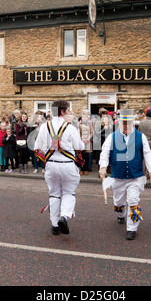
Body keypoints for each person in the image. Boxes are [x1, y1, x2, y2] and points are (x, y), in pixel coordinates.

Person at [99, 109, 151, 240]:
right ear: (119, 123)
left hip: (135, 176)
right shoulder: (112, 136)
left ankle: (131, 228)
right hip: (118, 176)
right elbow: (105, 152)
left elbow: (148, 153)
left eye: (129, 123)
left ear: (133, 123)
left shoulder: (140, 136)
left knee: (133, 201)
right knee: (118, 202)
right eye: (124, 123)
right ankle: (120, 215)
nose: (127, 126)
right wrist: (103, 167)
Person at [34, 100, 84, 236]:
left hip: (51, 164)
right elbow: (80, 147)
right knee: (68, 192)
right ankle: (65, 216)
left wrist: (48, 155)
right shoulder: (70, 128)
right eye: (68, 110)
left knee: (54, 193)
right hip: (67, 165)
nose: (69, 113)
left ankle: (55, 225)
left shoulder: (44, 127)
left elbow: (37, 148)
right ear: (62, 112)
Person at [78, 109, 94, 175]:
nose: (84, 118)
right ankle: (82, 169)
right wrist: (81, 139)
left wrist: (88, 139)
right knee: (82, 156)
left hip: (88, 141)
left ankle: (86, 169)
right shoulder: (79, 123)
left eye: (85, 117)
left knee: (87, 156)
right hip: (81, 141)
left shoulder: (90, 123)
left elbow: (92, 132)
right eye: (83, 117)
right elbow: (78, 133)